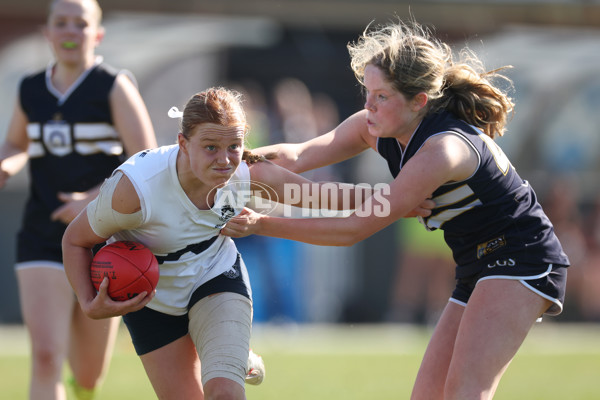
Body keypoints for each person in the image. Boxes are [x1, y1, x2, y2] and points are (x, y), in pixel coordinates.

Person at [222, 20, 570, 400]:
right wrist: (235, 160)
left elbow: (352, 228)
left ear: (419, 100)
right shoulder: (377, 127)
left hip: (522, 257)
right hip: (477, 264)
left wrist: (259, 223)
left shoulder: (442, 150)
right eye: (367, 93)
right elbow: (300, 154)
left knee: (466, 390)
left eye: (381, 97)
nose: (368, 106)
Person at [62, 87, 415, 399]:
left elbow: (322, 195)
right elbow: (75, 240)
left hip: (214, 276)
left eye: (234, 146)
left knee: (224, 392)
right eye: (211, 147)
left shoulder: (249, 174)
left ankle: (224, 350)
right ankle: (228, 350)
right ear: (183, 143)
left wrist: (398, 199)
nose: (224, 159)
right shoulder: (135, 189)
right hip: (151, 300)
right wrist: (89, 302)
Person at [0, 1, 157, 399]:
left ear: (97, 34)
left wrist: (92, 201)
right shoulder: (31, 88)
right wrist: (5, 164)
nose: (71, 32)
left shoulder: (113, 85)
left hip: (103, 240)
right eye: (61, 23)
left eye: (81, 24)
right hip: (41, 233)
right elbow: (15, 143)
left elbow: (146, 160)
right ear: (48, 33)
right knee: (47, 357)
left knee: (88, 375)